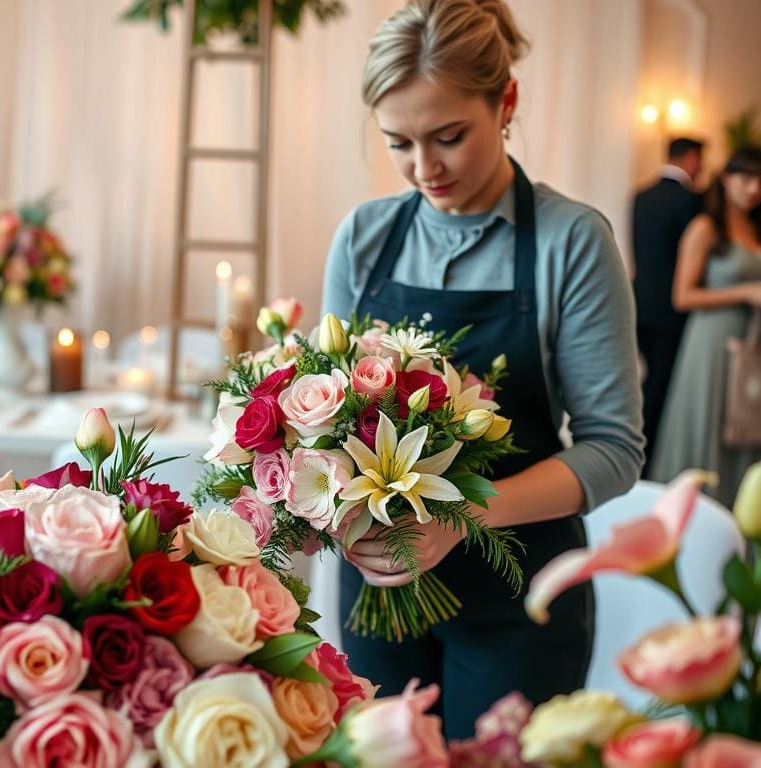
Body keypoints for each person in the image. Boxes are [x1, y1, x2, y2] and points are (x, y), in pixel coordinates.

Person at [321, 0, 643, 738]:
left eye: (449, 137)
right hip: (377, 597)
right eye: (398, 142)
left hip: (520, 606)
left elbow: (613, 452)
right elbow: (326, 428)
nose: (423, 168)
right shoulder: (364, 237)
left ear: (507, 103)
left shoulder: (572, 241)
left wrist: (459, 517)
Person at [650, 147, 761, 507]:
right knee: (709, 425)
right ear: (727, 179)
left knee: (745, 427)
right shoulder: (705, 227)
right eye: (746, 178)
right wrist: (744, 292)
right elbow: (682, 296)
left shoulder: (754, 228)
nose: (754, 188)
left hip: (751, 341)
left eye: (760, 181)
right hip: (712, 341)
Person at [632, 137, 704, 476]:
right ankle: (647, 460)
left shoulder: (641, 196)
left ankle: (637, 452)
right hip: (673, 312)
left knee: (650, 384)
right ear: (691, 158)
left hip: (639, 305)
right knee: (663, 389)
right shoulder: (691, 201)